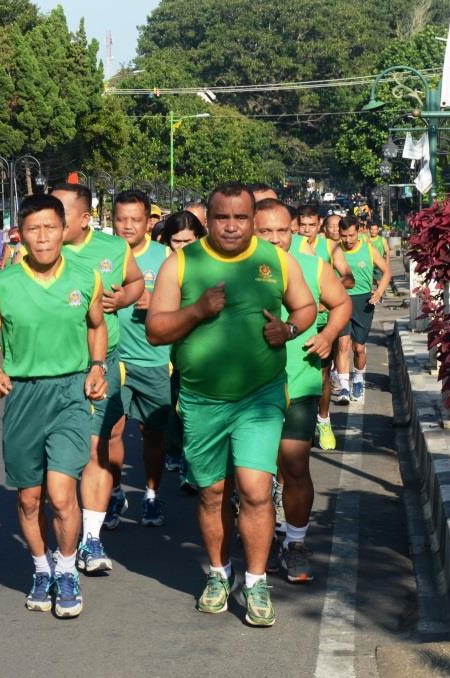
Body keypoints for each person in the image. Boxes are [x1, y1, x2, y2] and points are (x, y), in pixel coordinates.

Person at [147, 182, 316, 627]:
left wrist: (290, 330)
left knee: (256, 489)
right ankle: (220, 575)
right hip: (201, 400)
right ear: (209, 219)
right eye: (223, 217)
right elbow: (156, 330)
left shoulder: (275, 260)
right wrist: (198, 311)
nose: (232, 226)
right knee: (212, 492)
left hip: (259, 395)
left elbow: (305, 307)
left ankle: (257, 582)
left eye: (241, 218)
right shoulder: (182, 263)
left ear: (251, 218)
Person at [0, 194, 108, 618]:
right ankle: (41, 568)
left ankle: (67, 571)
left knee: (61, 493)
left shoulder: (86, 277)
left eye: (51, 227)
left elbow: (97, 326)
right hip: (24, 397)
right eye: (34, 229)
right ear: (22, 233)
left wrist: (97, 366)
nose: (43, 237)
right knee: (30, 499)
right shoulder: (4, 284)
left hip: (70, 393)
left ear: (64, 228)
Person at [254, 200, 351, 583]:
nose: (276, 239)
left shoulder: (311, 267)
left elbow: (340, 303)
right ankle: (261, 543)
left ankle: (294, 542)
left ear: (293, 229)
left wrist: (327, 336)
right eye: (266, 231)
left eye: (283, 230)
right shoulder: (235, 270)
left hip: (300, 381)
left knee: (294, 466)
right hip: (247, 388)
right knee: (254, 474)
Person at [50, 182, 144, 574]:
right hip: (52, 368)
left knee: (93, 447)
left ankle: (90, 538)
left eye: (60, 216)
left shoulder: (112, 249)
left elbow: (136, 283)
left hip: (101, 361)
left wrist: (123, 298)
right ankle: (62, 533)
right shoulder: (38, 250)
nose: (50, 224)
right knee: (56, 458)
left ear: (85, 218)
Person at [114, 192, 175, 527]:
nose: (127, 226)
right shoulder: (102, 256)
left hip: (154, 359)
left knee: (152, 434)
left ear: (148, 222)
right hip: (112, 358)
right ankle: (113, 494)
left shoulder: (164, 256)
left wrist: (157, 301)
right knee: (110, 431)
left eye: (135, 219)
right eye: (121, 219)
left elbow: (185, 304)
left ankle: (151, 495)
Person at [294, 205, 354, 450]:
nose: (306, 230)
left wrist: (324, 294)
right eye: (302, 225)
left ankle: (324, 419)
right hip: (297, 324)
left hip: (324, 323)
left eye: (311, 225)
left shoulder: (329, 247)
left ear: (319, 224)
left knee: (320, 375)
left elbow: (348, 277)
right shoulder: (286, 247)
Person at [157, 210, 207, 487]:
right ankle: (176, 452)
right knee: (177, 409)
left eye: (189, 241)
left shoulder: (211, 263)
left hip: (206, 352)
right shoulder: (164, 265)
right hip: (171, 352)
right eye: (177, 242)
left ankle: (191, 466)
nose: (183, 247)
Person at [337, 217, 391, 403]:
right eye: (344, 236)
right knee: (342, 345)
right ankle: (344, 387)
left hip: (364, 301)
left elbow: (387, 271)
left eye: (351, 235)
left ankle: (358, 379)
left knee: (358, 348)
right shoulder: (335, 249)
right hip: (341, 300)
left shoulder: (368, 249)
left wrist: (379, 292)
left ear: (359, 231)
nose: (348, 240)